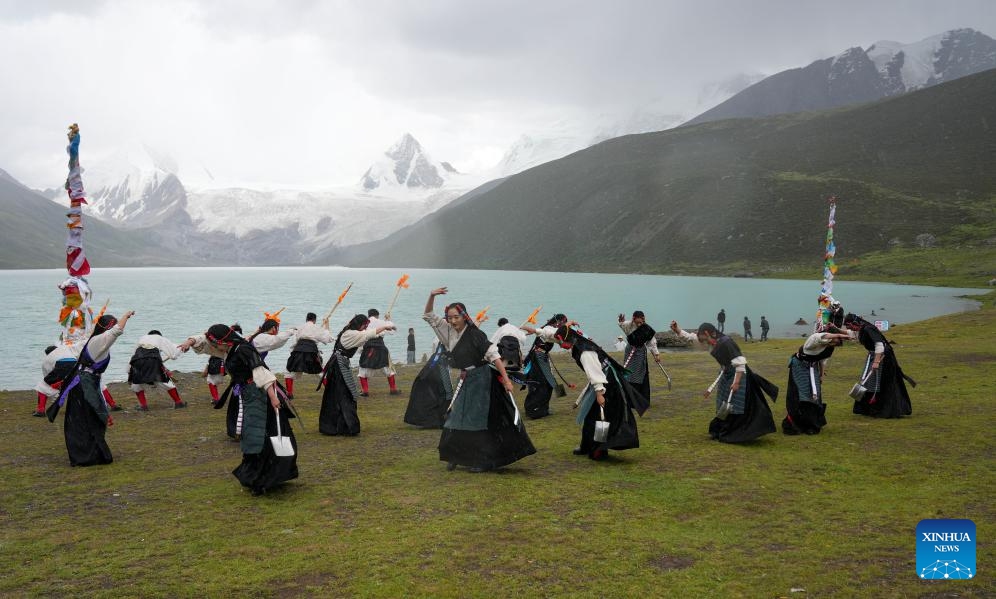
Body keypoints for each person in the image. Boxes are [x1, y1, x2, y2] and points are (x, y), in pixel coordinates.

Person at [424, 287, 536, 472]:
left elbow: (494, 356)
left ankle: (481, 460)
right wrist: (431, 295)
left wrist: (507, 380)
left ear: (464, 316)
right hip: (465, 378)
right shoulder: (447, 331)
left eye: (456, 317)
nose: (452, 321)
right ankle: (455, 455)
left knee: (476, 419)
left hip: (482, 378)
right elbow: (428, 315)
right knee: (456, 417)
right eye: (449, 317)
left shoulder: (476, 334)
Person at [181, 325, 298, 495]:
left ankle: (264, 479)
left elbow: (262, 372)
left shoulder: (244, 349)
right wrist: (189, 341)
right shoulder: (229, 349)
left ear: (223, 341)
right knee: (251, 435)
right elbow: (206, 344)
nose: (214, 348)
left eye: (216, 344)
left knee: (258, 435)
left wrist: (273, 398)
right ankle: (257, 477)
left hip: (259, 395)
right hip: (246, 394)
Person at [48, 310, 135, 467]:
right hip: (82, 385)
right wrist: (126, 316)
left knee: (92, 419)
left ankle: (93, 454)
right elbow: (117, 332)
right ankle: (85, 457)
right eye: (112, 325)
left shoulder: (98, 341)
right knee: (84, 420)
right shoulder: (99, 341)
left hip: (88, 382)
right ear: (107, 328)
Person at [553, 324, 649, 461]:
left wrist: (599, 394)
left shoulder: (586, 352)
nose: (560, 344)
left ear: (566, 338)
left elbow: (595, 372)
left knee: (599, 417)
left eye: (560, 341)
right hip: (602, 379)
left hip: (607, 382)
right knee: (590, 415)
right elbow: (552, 336)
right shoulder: (578, 339)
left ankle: (599, 450)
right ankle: (586, 446)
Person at [695, 322, 778, 443]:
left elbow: (740, 362)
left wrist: (737, 383)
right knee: (722, 402)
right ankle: (720, 429)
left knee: (735, 404)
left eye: (700, 336)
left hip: (738, 375)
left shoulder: (726, 342)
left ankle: (735, 432)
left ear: (707, 333)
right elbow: (692, 337)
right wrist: (678, 331)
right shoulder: (713, 340)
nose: (699, 339)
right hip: (726, 374)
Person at [317, 314, 395, 436]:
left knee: (337, 395)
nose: (365, 328)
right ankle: (345, 427)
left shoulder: (349, 331)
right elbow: (369, 334)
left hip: (339, 363)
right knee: (346, 395)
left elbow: (369, 333)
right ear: (359, 324)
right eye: (364, 325)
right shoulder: (351, 334)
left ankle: (335, 426)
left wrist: (384, 328)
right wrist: (385, 326)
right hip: (339, 365)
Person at [781, 327, 851, 435]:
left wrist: (821, 375)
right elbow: (821, 336)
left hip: (813, 367)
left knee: (815, 395)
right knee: (802, 394)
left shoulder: (829, 347)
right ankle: (795, 423)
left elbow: (822, 361)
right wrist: (840, 335)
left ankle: (811, 424)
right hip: (799, 366)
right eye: (838, 340)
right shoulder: (813, 340)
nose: (839, 343)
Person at [843, 314, 915, 418]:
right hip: (874, 355)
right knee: (868, 381)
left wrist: (876, 362)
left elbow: (879, 344)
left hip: (883, 357)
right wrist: (835, 329)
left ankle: (885, 410)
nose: (850, 329)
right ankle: (870, 408)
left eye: (849, 326)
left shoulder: (868, 329)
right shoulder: (862, 328)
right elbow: (852, 334)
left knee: (882, 382)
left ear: (853, 323)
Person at [34, 343, 121, 417]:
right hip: (76, 364)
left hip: (62, 366)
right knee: (94, 383)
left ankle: (41, 410)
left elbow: (48, 377)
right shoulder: (65, 349)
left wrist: (56, 385)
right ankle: (112, 404)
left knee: (43, 386)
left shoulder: (47, 359)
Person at [520, 313, 569, 419]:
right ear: (558, 322)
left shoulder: (554, 330)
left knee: (548, 384)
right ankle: (533, 411)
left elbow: (561, 342)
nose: (563, 325)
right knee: (540, 384)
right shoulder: (548, 329)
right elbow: (538, 331)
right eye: (563, 323)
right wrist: (526, 328)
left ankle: (543, 409)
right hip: (537, 358)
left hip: (542, 357)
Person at [127, 330, 186, 411]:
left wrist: (129, 373)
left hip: (137, 361)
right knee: (166, 382)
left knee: (136, 384)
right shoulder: (160, 338)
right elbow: (173, 355)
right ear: (159, 335)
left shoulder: (142, 339)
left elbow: (132, 356)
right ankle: (178, 403)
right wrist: (182, 349)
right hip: (152, 360)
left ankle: (143, 406)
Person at [404, 342, 453, 429]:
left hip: (431, 369)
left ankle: (442, 418)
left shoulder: (441, 341)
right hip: (439, 366)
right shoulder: (446, 342)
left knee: (441, 393)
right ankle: (444, 419)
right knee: (447, 392)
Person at [284, 312, 333, 399]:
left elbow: (294, 343)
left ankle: (289, 393)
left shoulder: (299, 327)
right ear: (314, 320)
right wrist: (326, 325)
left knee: (289, 372)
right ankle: (330, 391)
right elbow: (328, 339)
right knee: (320, 373)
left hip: (298, 351)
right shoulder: (317, 328)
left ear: (306, 319)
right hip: (311, 352)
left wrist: (293, 353)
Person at [617, 311, 660, 405]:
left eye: (641, 322)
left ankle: (642, 400)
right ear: (633, 318)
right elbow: (621, 325)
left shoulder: (646, 328)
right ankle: (629, 400)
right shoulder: (628, 325)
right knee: (628, 374)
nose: (640, 324)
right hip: (630, 351)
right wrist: (620, 321)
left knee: (641, 374)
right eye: (638, 322)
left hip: (640, 352)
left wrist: (656, 354)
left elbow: (651, 342)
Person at [358, 308, 400, 396]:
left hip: (368, 348)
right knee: (387, 368)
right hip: (381, 347)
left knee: (363, 368)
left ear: (368, 315)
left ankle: (365, 390)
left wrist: (360, 350)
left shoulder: (364, 323)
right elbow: (393, 330)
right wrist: (388, 319)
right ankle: (393, 389)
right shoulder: (381, 322)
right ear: (377, 315)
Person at [202, 323, 240, 405]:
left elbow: (213, 355)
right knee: (235, 380)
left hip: (217, 364)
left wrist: (206, 368)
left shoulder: (220, 342)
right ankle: (235, 396)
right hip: (225, 364)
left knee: (211, 381)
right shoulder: (233, 342)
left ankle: (216, 399)